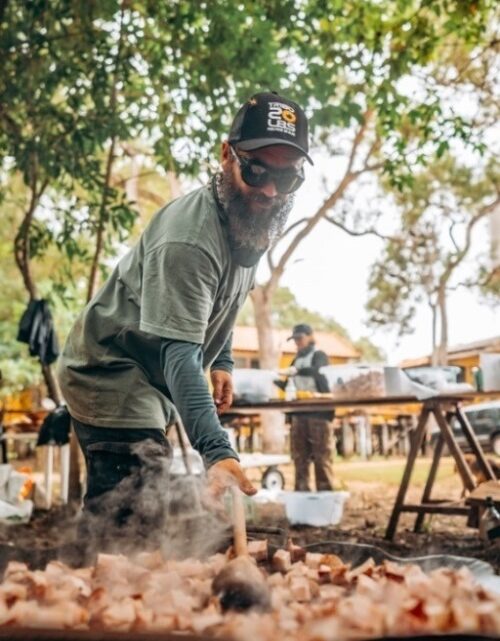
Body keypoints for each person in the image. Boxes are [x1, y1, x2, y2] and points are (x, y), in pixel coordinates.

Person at [57, 91, 312, 547]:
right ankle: (81, 602)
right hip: (110, 371)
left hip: (148, 376)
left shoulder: (247, 222)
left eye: (287, 177)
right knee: (131, 509)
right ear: (225, 155)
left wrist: (224, 363)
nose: (271, 191)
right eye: (257, 170)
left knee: (136, 510)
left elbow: (221, 306)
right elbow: (178, 354)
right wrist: (217, 452)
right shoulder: (189, 242)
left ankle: (91, 587)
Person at [280, 324, 335, 492]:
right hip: (299, 413)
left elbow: (317, 372)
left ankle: (325, 494)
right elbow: (288, 384)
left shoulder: (319, 355)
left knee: (321, 457)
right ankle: (301, 493)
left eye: (300, 339)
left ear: (310, 337)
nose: (297, 343)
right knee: (300, 457)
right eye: (295, 340)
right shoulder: (295, 360)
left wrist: (295, 371)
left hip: (319, 413)